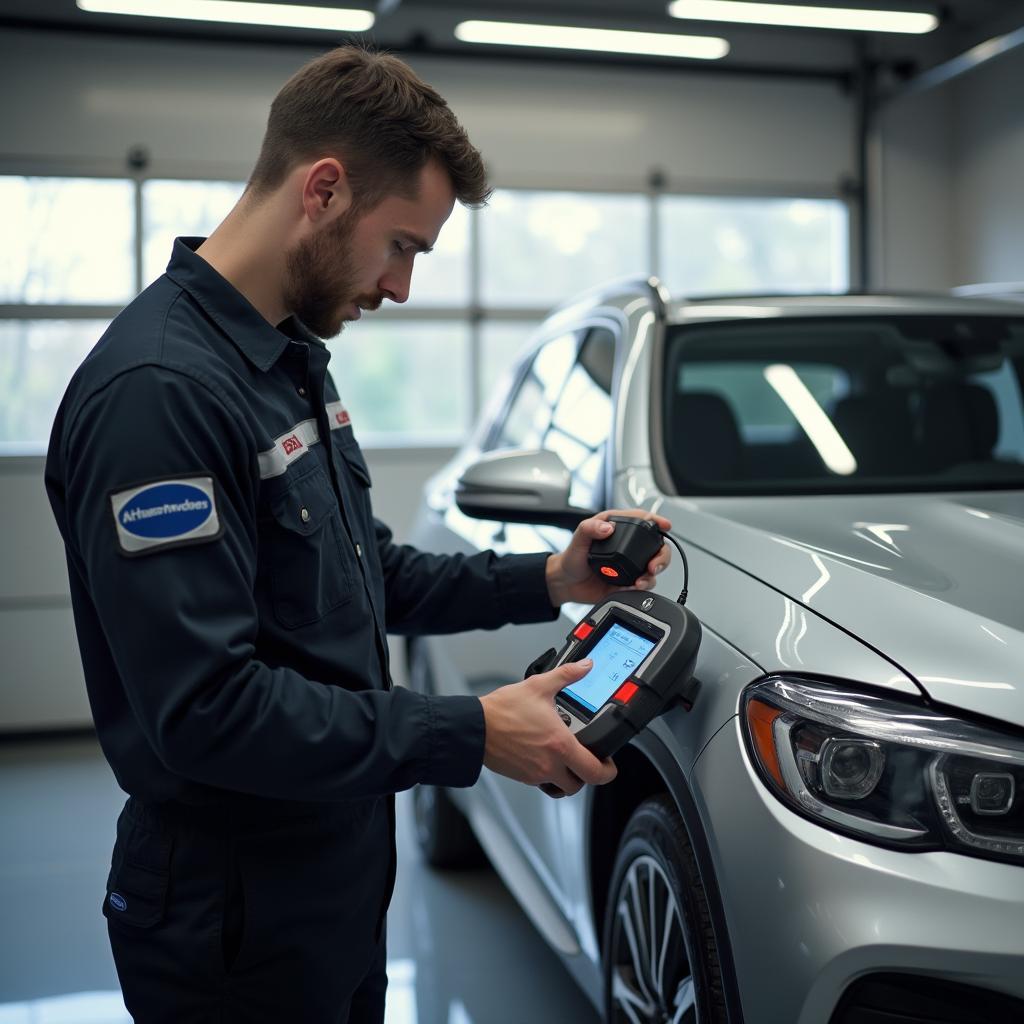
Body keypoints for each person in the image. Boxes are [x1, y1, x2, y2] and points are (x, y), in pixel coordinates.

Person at [44, 45, 671, 1024]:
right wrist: (469, 731)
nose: (403, 286)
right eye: (403, 245)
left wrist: (550, 578)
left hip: (331, 873)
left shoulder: (287, 357)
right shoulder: (160, 396)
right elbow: (207, 709)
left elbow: (364, 573)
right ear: (324, 190)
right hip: (233, 915)